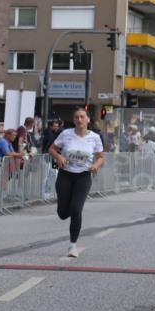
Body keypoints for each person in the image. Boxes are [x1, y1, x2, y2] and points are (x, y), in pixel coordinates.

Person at [49, 108, 104, 257]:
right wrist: (59, 157)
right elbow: (52, 149)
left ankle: (72, 246)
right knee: (62, 213)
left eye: (82, 117)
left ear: (88, 120)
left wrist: (96, 166)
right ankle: (64, 210)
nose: (79, 120)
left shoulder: (94, 137)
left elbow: (100, 157)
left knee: (76, 209)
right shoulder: (66, 134)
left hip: (83, 176)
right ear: (74, 120)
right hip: (65, 175)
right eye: (76, 117)